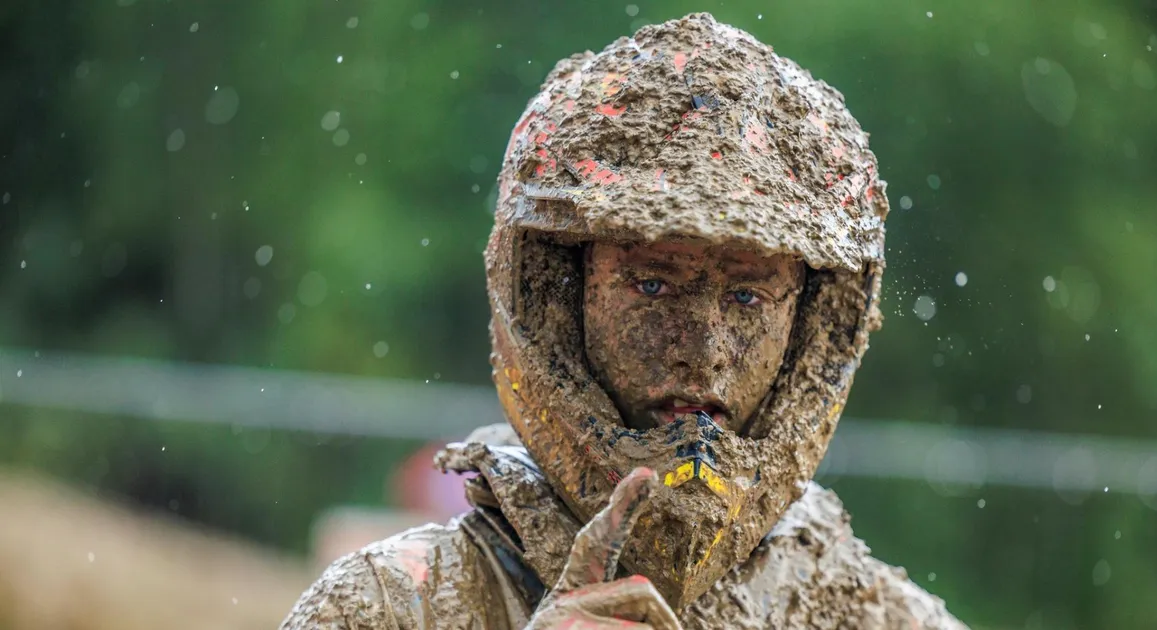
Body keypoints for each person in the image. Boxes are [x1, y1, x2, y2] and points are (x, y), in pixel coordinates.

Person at [281, 13, 967, 629]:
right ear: (557, 299)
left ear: (809, 328)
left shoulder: (874, 616)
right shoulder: (392, 609)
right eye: (652, 284)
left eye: (749, 298)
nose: (703, 351)